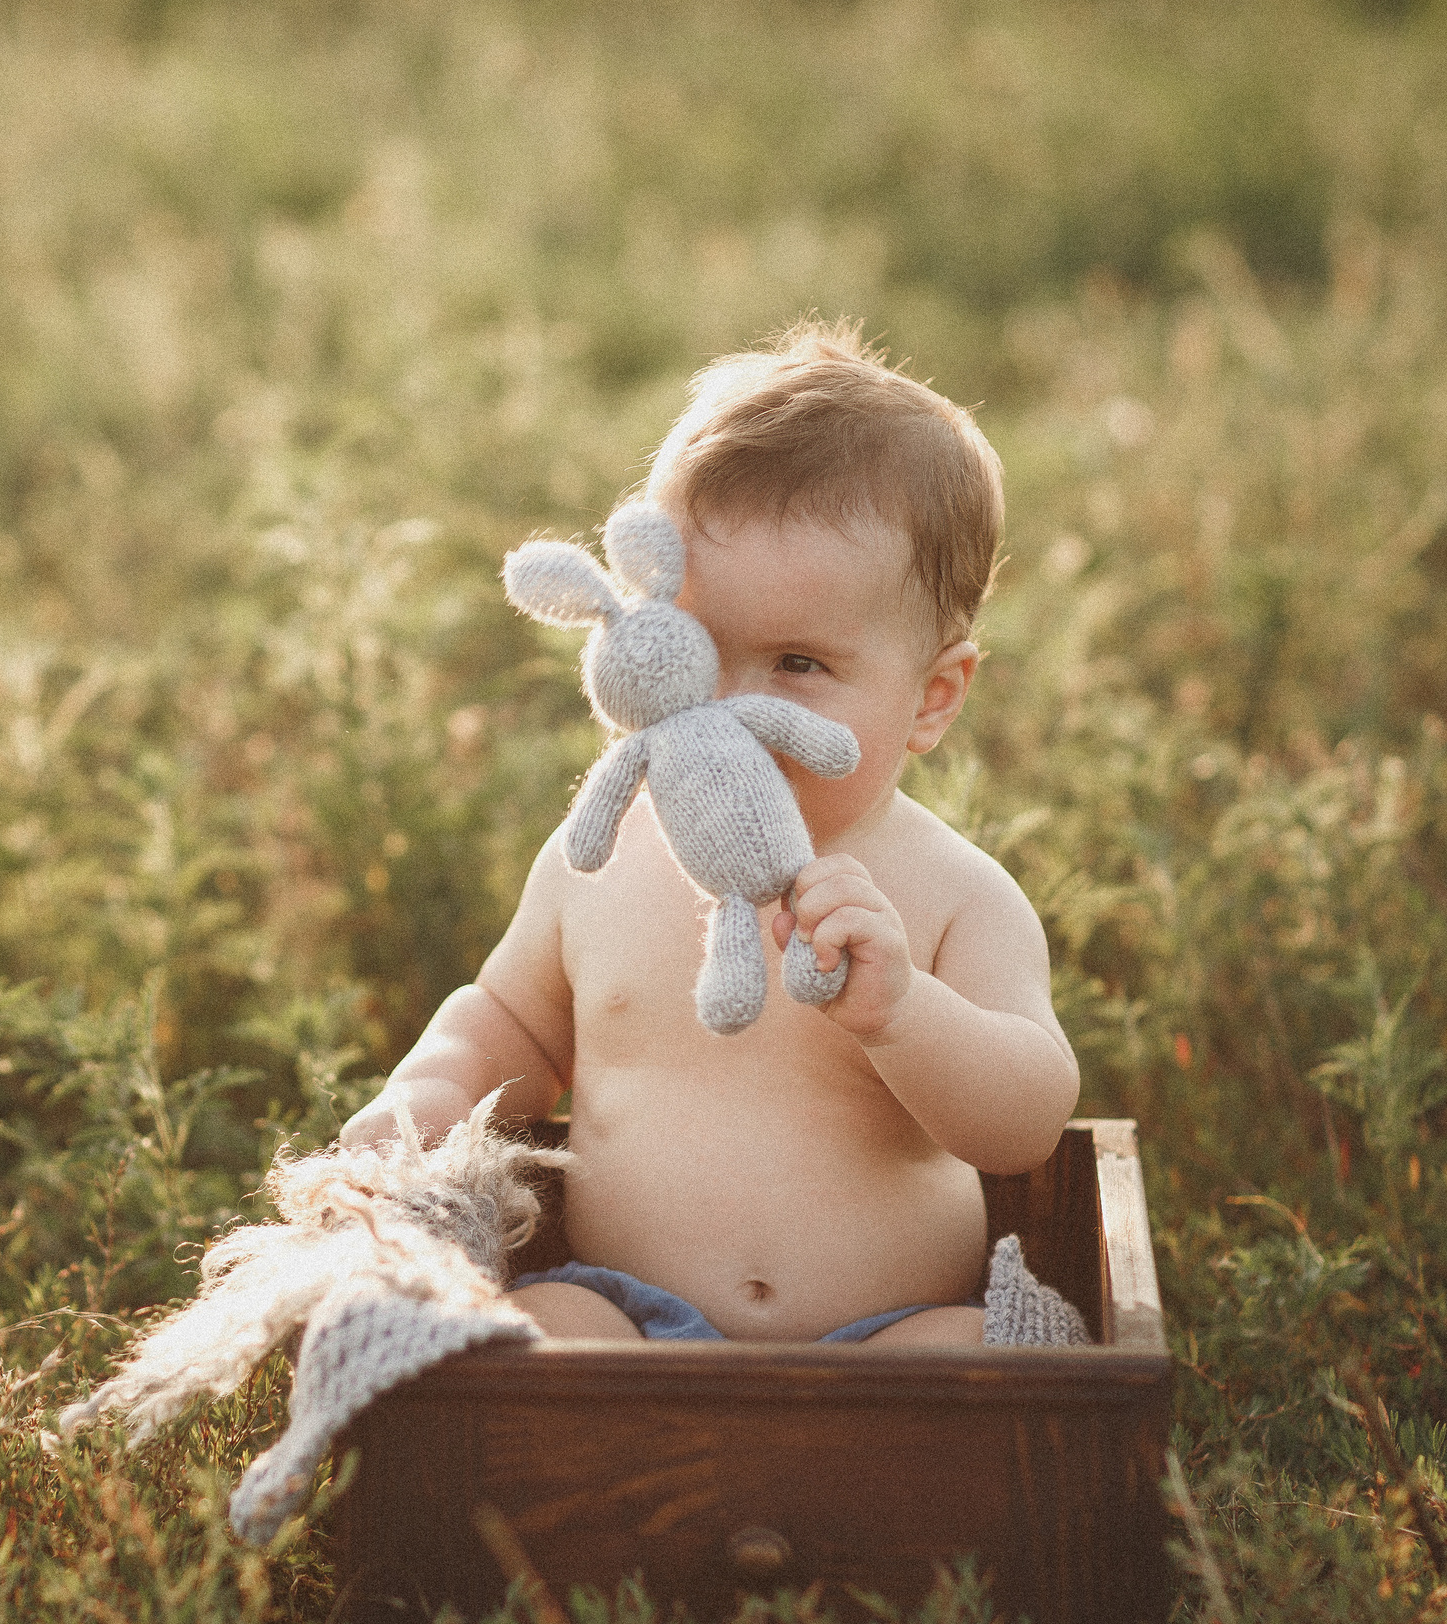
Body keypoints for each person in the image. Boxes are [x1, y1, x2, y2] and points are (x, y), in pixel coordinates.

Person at [335, 320, 1078, 1347]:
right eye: (692, 648)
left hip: (890, 1337)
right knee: (539, 1331)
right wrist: (425, 1093)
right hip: (632, 1318)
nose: (725, 705)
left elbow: (1027, 1122)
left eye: (799, 664)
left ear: (932, 698)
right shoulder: (596, 862)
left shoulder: (952, 895)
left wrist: (904, 1012)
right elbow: (507, 1015)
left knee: (980, 1366)